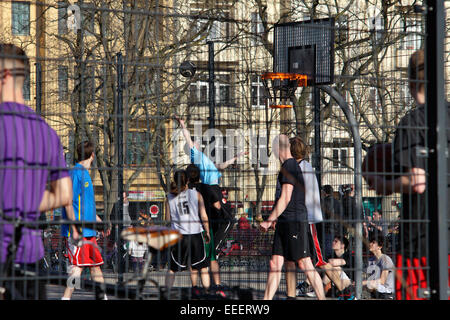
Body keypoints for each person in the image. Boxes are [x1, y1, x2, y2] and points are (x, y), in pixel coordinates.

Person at [365, 49, 450, 300]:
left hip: (419, 242)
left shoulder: (411, 123)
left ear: (411, 83)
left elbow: (417, 182)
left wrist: (381, 182)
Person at [0, 43, 72, 299]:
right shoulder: (46, 132)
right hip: (29, 256)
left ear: (5, 74)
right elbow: (64, 194)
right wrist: (26, 204)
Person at [284, 136, 355, 300]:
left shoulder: (301, 168)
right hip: (305, 219)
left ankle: (345, 290)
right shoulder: (303, 166)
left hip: (308, 220)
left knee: (319, 259)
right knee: (308, 260)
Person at [260, 134, 325, 300]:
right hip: (284, 222)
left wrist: (269, 220)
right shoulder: (288, 166)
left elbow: (286, 197)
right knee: (275, 264)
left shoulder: (290, 165)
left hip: (295, 221)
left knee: (305, 263)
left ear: (278, 148)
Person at [176, 116, 246, 254]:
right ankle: (215, 247)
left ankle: (211, 243)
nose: (197, 142)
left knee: (219, 219)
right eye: (196, 142)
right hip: (211, 188)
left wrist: (236, 157)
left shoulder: (204, 159)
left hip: (214, 188)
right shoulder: (195, 155)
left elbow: (221, 165)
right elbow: (188, 139)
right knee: (228, 220)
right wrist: (183, 125)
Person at [61, 141, 110, 300]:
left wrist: (100, 222)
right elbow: (68, 202)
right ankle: (65, 298)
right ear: (93, 155)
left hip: (89, 231)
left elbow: (86, 207)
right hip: (78, 231)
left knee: (95, 267)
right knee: (76, 268)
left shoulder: (85, 173)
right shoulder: (76, 173)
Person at [165, 170, 211, 296]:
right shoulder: (196, 194)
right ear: (188, 180)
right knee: (202, 267)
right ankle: (208, 293)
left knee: (172, 269)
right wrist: (207, 232)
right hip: (195, 234)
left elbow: (168, 220)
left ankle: (166, 293)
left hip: (178, 236)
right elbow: (204, 216)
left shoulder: (169, 197)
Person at [186, 164, 225, 295]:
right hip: (206, 227)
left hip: (189, 229)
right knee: (212, 258)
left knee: (194, 260)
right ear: (200, 175)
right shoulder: (206, 188)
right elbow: (218, 206)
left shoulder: (184, 191)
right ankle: (218, 286)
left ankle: (195, 287)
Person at [362, 235, 395, 300]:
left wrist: (364, 282)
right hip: (377, 290)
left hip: (387, 291)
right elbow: (366, 275)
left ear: (380, 247)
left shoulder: (385, 259)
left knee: (368, 284)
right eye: (370, 242)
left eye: (373, 242)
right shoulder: (371, 260)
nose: (370, 244)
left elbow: (382, 281)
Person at [321, 185, 344, 259]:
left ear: (324, 192)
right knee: (335, 247)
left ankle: (329, 265)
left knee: (327, 249)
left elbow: (323, 217)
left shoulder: (324, 202)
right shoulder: (338, 202)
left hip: (327, 228)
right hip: (337, 229)